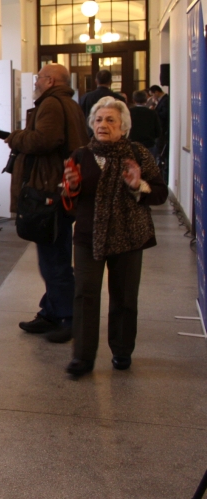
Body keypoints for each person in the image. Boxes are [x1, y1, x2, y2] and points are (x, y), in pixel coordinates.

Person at [61, 97, 168, 375]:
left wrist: (138, 184)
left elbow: (159, 193)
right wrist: (71, 188)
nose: (102, 125)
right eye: (98, 120)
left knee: (124, 297)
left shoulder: (137, 153)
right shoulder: (80, 155)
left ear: (123, 127)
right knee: (85, 294)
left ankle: (122, 350)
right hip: (89, 235)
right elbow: (69, 202)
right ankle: (82, 357)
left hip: (129, 236)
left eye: (110, 120)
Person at [0, 64, 88, 342]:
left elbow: (44, 140)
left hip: (49, 190)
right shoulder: (67, 103)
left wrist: (14, 137)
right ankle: (51, 311)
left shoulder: (51, 104)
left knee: (54, 259)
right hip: (58, 187)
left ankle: (67, 317)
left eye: (39, 77)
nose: (35, 81)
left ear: (50, 81)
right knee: (53, 254)